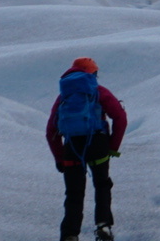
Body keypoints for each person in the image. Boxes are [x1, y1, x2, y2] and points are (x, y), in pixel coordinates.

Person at [45, 56, 127, 241]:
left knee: (74, 192)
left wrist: (59, 158)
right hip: (98, 144)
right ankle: (103, 227)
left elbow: (51, 130)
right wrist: (112, 146)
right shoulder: (99, 91)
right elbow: (120, 117)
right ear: (92, 73)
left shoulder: (64, 96)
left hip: (72, 147)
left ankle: (70, 234)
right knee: (102, 185)